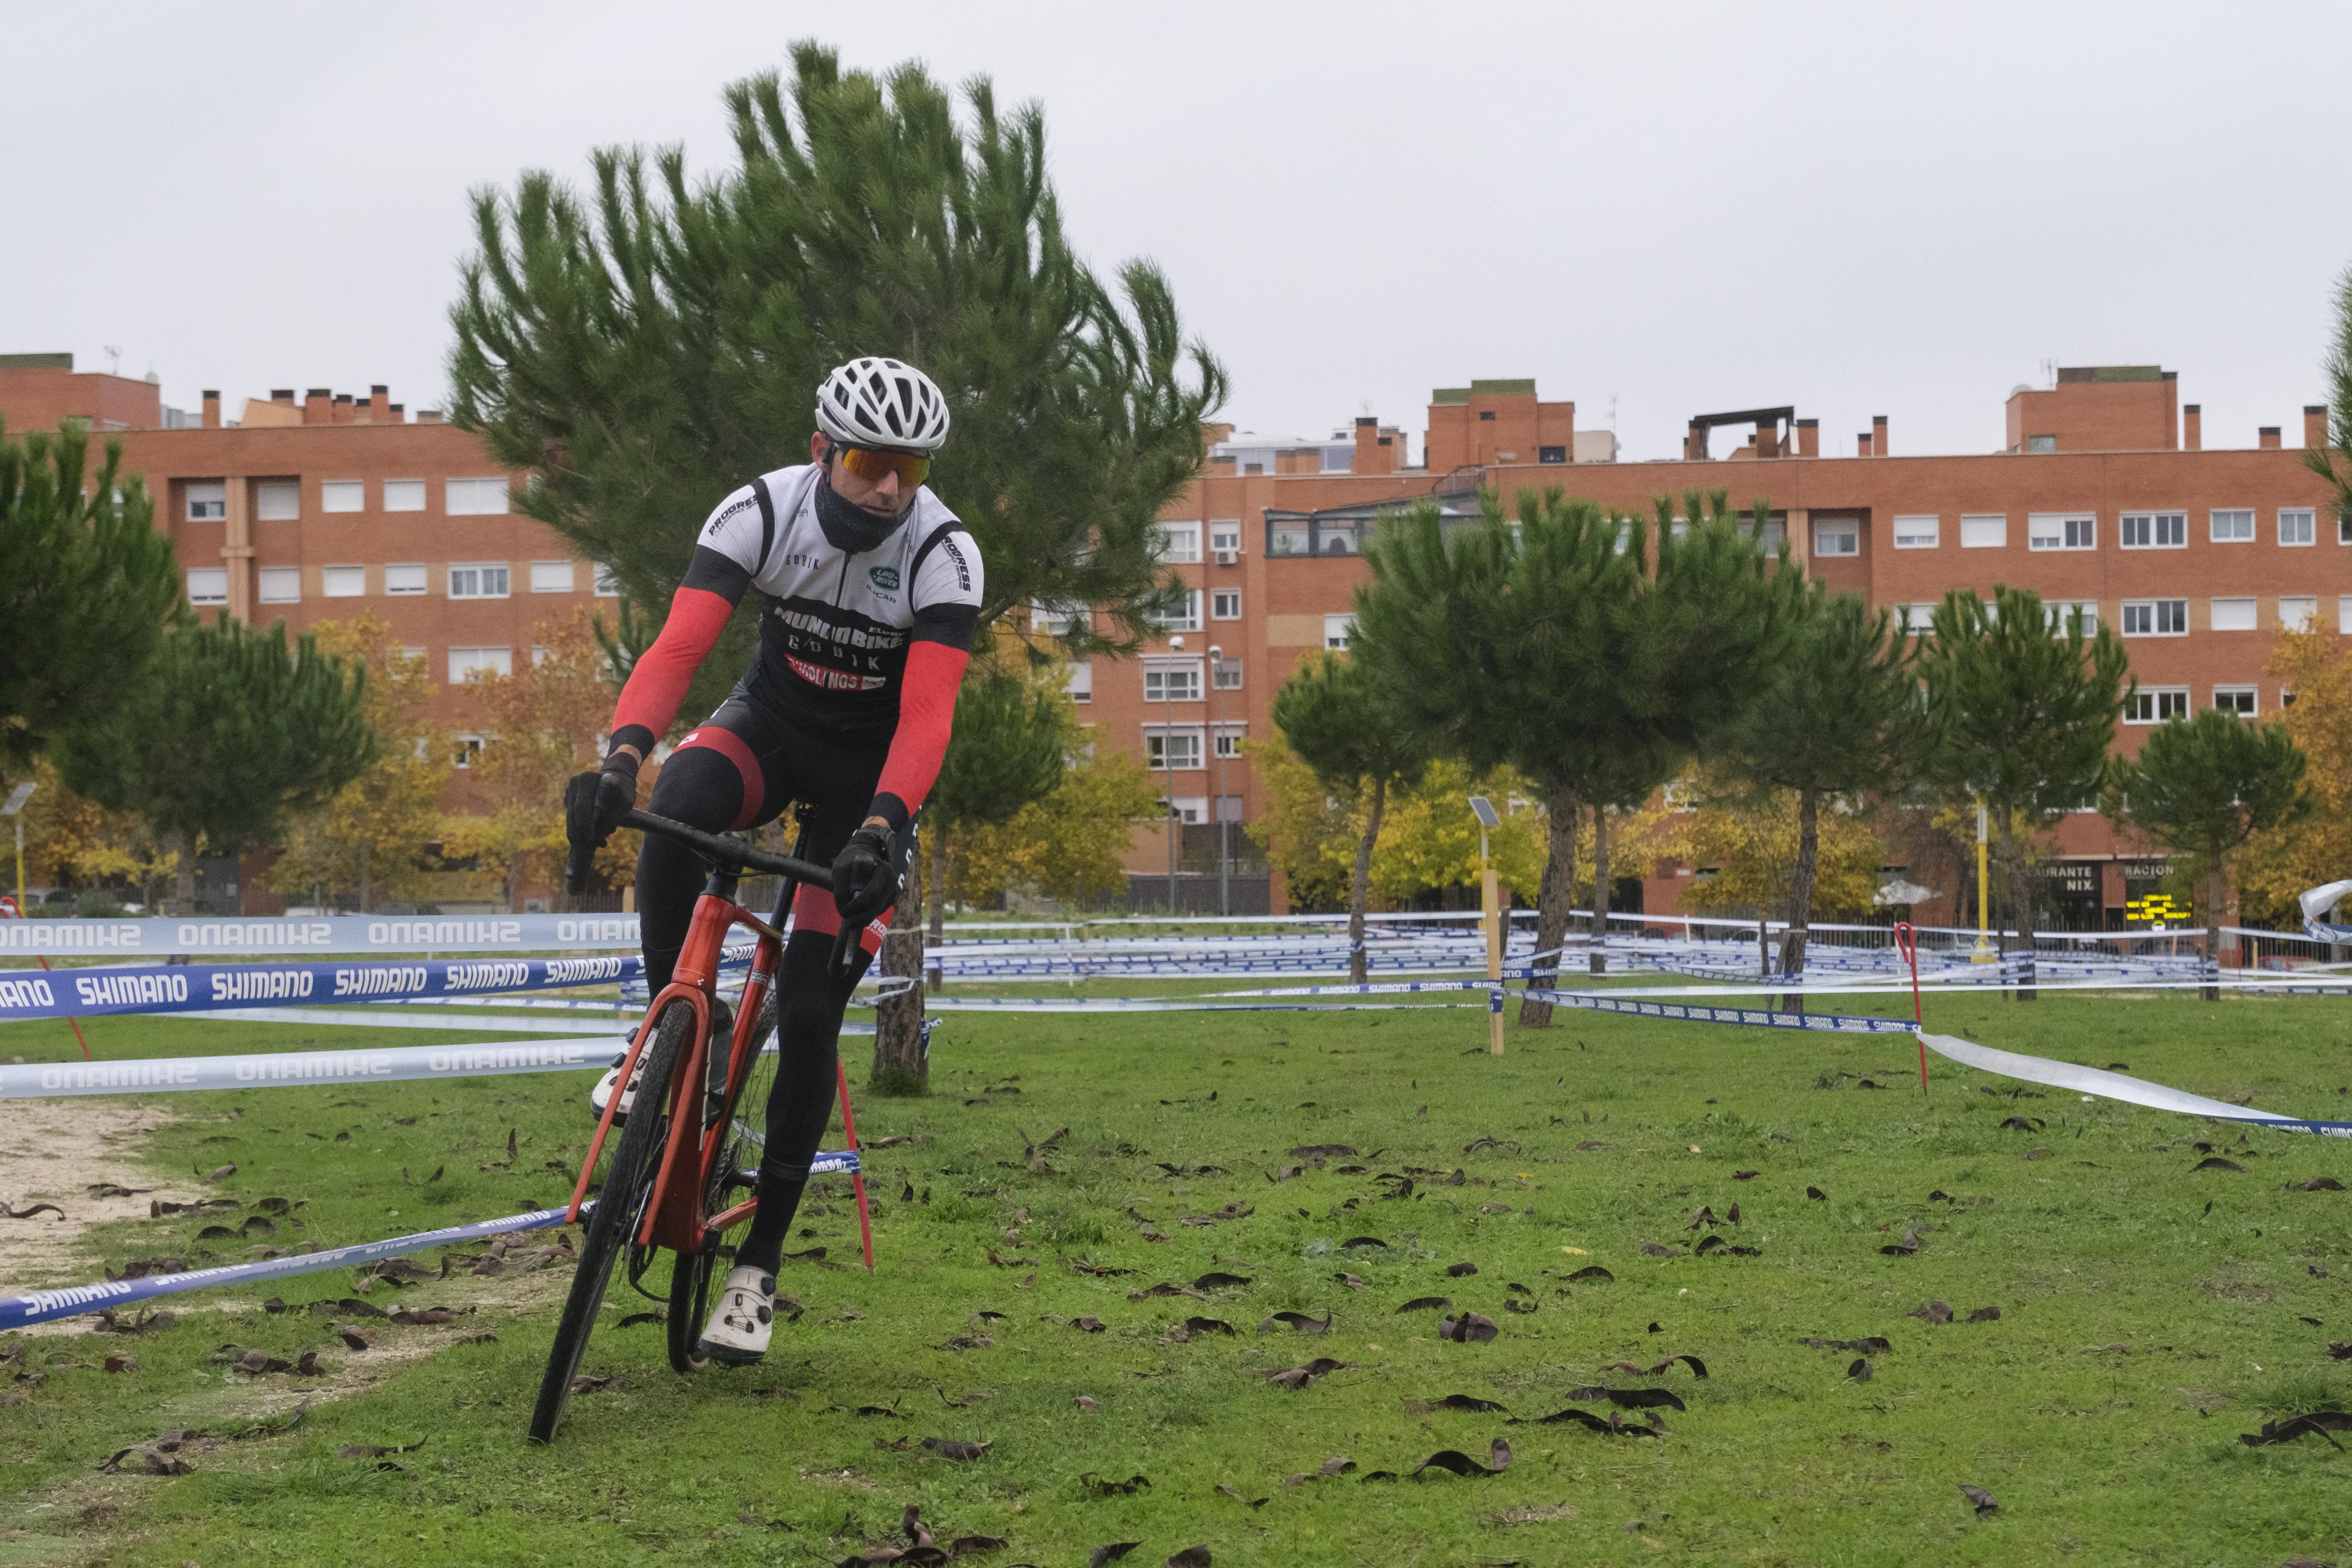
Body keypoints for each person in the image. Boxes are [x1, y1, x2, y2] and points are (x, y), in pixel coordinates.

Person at [564, 356, 979, 1365]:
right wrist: (621, 757)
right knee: (678, 805)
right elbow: (675, 650)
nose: (889, 487)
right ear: (822, 450)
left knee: (806, 1006)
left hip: (863, 782)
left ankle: (759, 1267)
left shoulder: (944, 555)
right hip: (771, 725)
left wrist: (881, 830)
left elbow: (926, 718)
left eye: (910, 470)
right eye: (873, 461)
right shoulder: (759, 508)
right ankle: (665, 1040)